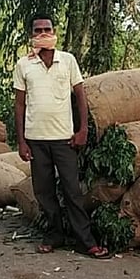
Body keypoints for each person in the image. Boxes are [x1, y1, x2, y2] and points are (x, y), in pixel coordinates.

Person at [13, 14, 110, 258]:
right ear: (32, 35)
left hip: (64, 139)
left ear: (54, 31)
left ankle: (85, 241)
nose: (43, 33)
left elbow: (80, 96)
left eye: (47, 28)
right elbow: (20, 106)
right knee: (44, 192)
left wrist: (83, 130)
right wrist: (22, 141)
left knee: (72, 191)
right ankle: (54, 234)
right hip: (36, 139)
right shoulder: (24, 64)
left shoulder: (67, 61)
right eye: (38, 30)